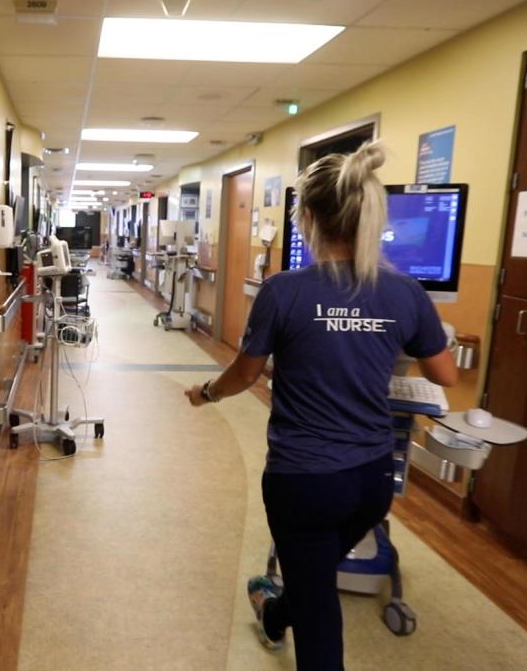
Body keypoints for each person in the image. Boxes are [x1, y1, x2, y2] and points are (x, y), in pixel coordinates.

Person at [185, 141, 457, 670]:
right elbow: (444, 373)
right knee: (311, 580)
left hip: (303, 481)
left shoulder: (283, 290)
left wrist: (206, 394)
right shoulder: (405, 291)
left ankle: (287, 614)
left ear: (306, 217)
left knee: (318, 610)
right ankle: (274, 613)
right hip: (371, 482)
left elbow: (244, 373)